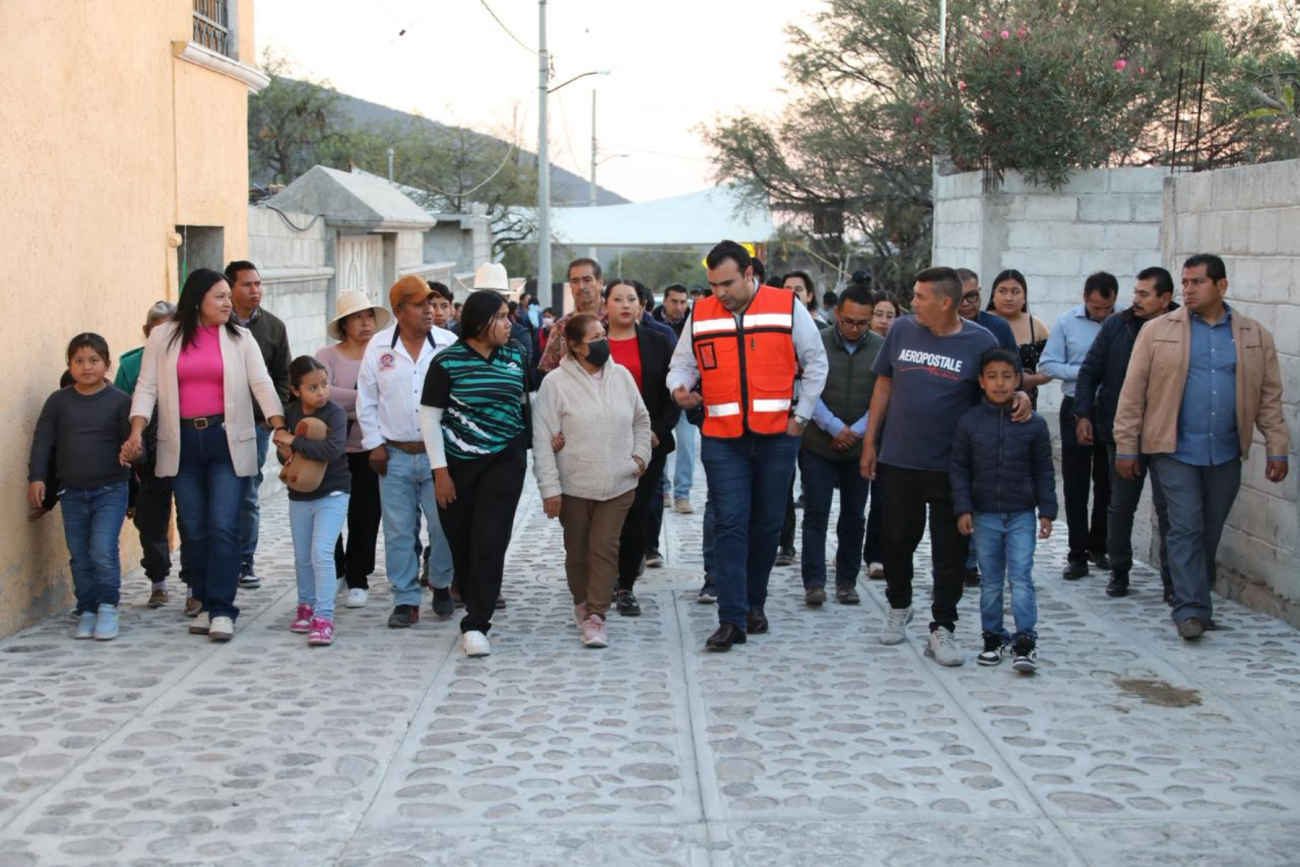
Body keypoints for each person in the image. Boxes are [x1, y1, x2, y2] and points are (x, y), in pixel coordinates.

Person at [861, 266, 1032, 667]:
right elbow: (883, 384)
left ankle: (943, 627)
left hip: (953, 469)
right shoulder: (902, 331)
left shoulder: (980, 340)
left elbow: (1002, 382)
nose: (913, 303)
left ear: (945, 302)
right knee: (896, 543)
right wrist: (870, 442)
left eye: (920, 297)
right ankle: (900, 605)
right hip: (898, 460)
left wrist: (1020, 396)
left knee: (949, 553)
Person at [1113, 254, 1290, 641]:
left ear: (1221, 286)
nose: (1188, 290)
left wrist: (1277, 447)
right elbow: (1133, 393)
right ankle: (1190, 609)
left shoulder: (1254, 336)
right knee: (1185, 527)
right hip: (1173, 449)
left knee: (1209, 530)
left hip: (1226, 451)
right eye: (1185, 283)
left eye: (1197, 283)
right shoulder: (1157, 331)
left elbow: (1269, 398)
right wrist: (1126, 445)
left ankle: (1194, 596)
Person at [669, 240, 829, 652]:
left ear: (748, 274)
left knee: (767, 524)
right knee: (729, 522)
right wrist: (679, 388)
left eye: (727, 283)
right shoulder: (700, 313)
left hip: (778, 437)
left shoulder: (785, 305)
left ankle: (755, 603)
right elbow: (682, 363)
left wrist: (802, 417)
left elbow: (815, 363)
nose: (719, 292)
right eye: (712, 284)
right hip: (723, 438)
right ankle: (732, 617)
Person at [123, 268, 286, 642]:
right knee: (194, 530)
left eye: (230, 296)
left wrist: (280, 428)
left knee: (224, 525)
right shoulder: (164, 337)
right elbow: (146, 387)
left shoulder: (240, 338)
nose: (230, 303)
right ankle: (202, 597)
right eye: (221, 296)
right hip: (181, 442)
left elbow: (261, 384)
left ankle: (222, 609)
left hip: (226, 441)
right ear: (197, 299)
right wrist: (135, 431)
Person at [421, 290, 531, 658]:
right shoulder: (447, 362)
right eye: (500, 317)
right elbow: (430, 418)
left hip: (505, 461)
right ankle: (472, 593)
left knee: (490, 539)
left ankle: (476, 623)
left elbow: (526, 403)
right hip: (457, 466)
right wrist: (440, 473)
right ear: (480, 322)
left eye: (508, 316)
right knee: (462, 541)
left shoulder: (515, 354)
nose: (508, 324)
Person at [533, 314, 652, 646]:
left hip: (619, 482)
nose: (603, 342)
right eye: (594, 337)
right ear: (574, 345)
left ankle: (596, 615)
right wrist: (550, 488)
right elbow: (542, 440)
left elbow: (641, 420)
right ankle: (582, 603)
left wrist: (640, 456)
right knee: (578, 552)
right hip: (574, 486)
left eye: (604, 335)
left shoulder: (622, 377)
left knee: (604, 549)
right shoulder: (554, 384)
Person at [357, 275, 458, 628]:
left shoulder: (448, 344)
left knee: (443, 526)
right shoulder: (379, 347)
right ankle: (405, 598)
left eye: (431, 303)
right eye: (419, 305)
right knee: (399, 530)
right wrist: (374, 444)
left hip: (439, 457)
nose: (429, 310)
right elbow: (366, 399)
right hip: (394, 453)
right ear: (399, 311)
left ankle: (442, 583)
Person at [951, 348, 1057, 673]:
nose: (1000, 383)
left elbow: (1043, 469)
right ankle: (992, 637)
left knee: (1022, 577)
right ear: (981, 381)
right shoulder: (969, 422)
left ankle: (1025, 641)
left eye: (1007, 376)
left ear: (1018, 380)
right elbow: (959, 469)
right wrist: (963, 508)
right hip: (984, 515)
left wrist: (1047, 510)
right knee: (991, 580)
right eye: (992, 377)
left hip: (1022, 513)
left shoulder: (1034, 424)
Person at [1074, 268, 1177, 600]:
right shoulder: (1117, 325)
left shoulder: (1183, 326)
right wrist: (1084, 414)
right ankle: (1119, 570)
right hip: (1121, 431)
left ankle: (1173, 581)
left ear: (1166, 298)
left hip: (1167, 433)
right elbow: (1090, 371)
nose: (1135, 299)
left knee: (1169, 510)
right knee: (1120, 505)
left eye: (1144, 294)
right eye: (1135, 292)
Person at [28, 334, 132, 641]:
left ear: (107, 363)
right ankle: (87, 608)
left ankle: (109, 608)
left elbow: (134, 445)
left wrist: (135, 454)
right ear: (69, 365)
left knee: (102, 550)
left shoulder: (119, 401)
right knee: (79, 554)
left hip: (111, 489)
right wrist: (36, 477)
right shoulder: (58, 401)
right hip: (71, 492)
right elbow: (43, 442)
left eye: (93, 360)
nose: (86, 367)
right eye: (78, 361)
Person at [800, 285, 883, 606]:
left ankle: (847, 581)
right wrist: (835, 427)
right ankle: (814, 582)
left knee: (854, 515)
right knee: (816, 513)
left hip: (860, 448)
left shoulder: (881, 348)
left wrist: (858, 432)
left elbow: (883, 395)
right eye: (848, 321)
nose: (854, 329)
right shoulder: (816, 344)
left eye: (862, 323)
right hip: (818, 444)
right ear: (837, 314)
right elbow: (808, 389)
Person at [600, 280, 679, 615]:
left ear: (642, 304)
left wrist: (657, 431)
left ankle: (625, 586)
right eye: (617, 299)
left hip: (648, 445)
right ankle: (598, 580)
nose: (625, 305)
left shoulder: (659, 342)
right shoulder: (593, 342)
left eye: (632, 299)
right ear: (606, 305)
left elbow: (674, 393)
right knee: (603, 516)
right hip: (601, 445)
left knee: (636, 513)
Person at [1038, 272, 1120, 579]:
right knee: (1075, 483)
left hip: (1111, 408)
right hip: (1075, 404)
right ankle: (1076, 553)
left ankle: (1099, 546)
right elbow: (1047, 363)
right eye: (1096, 308)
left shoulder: (1122, 319)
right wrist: (1083, 371)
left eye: (1107, 308)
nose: (1102, 314)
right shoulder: (1066, 322)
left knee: (1107, 481)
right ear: (1085, 299)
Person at [317, 290, 392, 609]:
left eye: (369, 316)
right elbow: (323, 394)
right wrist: (365, 399)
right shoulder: (327, 355)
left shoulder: (384, 354)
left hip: (371, 448)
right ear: (344, 324)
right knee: (330, 513)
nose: (365, 322)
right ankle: (335, 571)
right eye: (358, 317)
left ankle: (358, 577)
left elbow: (389, 395)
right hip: (333, 449)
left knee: (366, 514)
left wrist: (347, 402)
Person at [224, 261, 292, 591]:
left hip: (255, 426)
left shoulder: (274, 327)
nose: (255, 291)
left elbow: (283, 376)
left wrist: (272, 415)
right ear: (229, 288)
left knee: (248, 493)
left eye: (258, 284)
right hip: (214, 425)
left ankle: (244, 561)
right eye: (247, 285)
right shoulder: (213, 326)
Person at [275, 356, 350, 646]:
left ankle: (323, 616)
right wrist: (284, 449)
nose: (321, 393)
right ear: (295, 390)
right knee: (302, 556)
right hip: (299, 495)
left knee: (321, 553)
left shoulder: (335, 414)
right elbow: (283, 450)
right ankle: (305, 606)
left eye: (324, 385)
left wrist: (294, 441)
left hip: (333, 492)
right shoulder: (289, 414)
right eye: (312, 388)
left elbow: (332, 450)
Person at [114, 301, 179, 609]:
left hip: (184, 449)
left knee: (192, 519)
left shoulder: (187, 360)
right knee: (151, 521)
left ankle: (195, 587)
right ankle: (158, 581)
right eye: (157, 330)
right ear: (145, 332)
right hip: (148, 457)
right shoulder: (131, 365)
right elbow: (120, 411)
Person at [862, 290, 904, 579]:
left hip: (890, 430)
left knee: (883, 496)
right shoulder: (859, 345)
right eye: (879, 314)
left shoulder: (902, 347)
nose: (884, 321)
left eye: (891, 316)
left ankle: (876, 553)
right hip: (853, 429)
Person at [655, 283, 697, 514]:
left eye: (684, 302)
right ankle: (664, 490)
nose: (679, 306)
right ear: (665, 301)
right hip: (661, 396)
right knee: (659, 442)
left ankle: (683, 494)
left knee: (687, 445)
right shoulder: (653, 324)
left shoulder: (694, 324)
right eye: (675, 301)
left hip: (685, 394)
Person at [987, 270, 1051, 408]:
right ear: (993, 295)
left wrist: (1032, 380)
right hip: (984, 404)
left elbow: (1054, 363)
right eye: (1002, 291)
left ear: (1024, 297)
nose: (1008, 298)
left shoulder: (1037, 326)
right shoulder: (980, 322)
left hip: (1025, 405)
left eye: (1015, 292)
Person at [539, 257, 605, 373]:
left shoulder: (617, 319)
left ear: (600, 283)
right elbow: (548, 370)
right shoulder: (562, 326)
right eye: (575, 281)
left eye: (587, 280)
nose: (581, 286)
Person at [956, 269, 1019, 354]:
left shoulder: (1000, 327)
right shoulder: (938, 330)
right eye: (959, 297)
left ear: (979, 292)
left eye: (971, 296)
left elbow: (1013, 366)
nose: (965, 303)